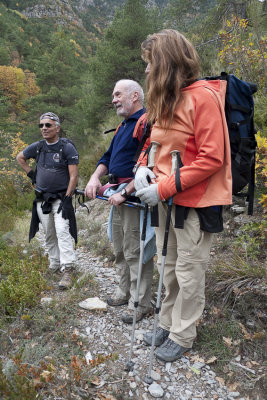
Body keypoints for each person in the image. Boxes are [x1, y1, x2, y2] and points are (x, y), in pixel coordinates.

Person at [134, 29, 232, 362]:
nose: (146, 71)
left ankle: (183, 334)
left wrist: (161, 186)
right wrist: (140, 169)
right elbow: (152, 143)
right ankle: (166, 322)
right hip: (165, 200)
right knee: (168, 266)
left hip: (192, 203)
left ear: (166, 62)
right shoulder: (167, 97)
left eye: (150, 63)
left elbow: (211, 157)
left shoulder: (203, 97)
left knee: (189, 271)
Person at [85, 79, 154, 324]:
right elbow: (107, 156)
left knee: (136, 250)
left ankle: (140, 303)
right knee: (120, 247)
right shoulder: (124, 125)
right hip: (116, 194)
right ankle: (124, 291)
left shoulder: (147, 122)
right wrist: (95, 178)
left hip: (132, 196)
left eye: (118, 94)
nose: (113, 99)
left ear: (134, 96)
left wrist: (125, 193)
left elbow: (149, 164)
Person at [16, 112, 79, 290]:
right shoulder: (38, 147)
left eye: (48, 125)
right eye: (41, 125)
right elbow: (20, 157)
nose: (44, 128)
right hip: (42, 199)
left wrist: (67, 198)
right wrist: (32, 175)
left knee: (62, 231)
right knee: (49, 233)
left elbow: (73, 176)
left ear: (57, 128)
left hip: (60, 198)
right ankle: (55, 263)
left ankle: (67, 269)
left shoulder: (66, 147)